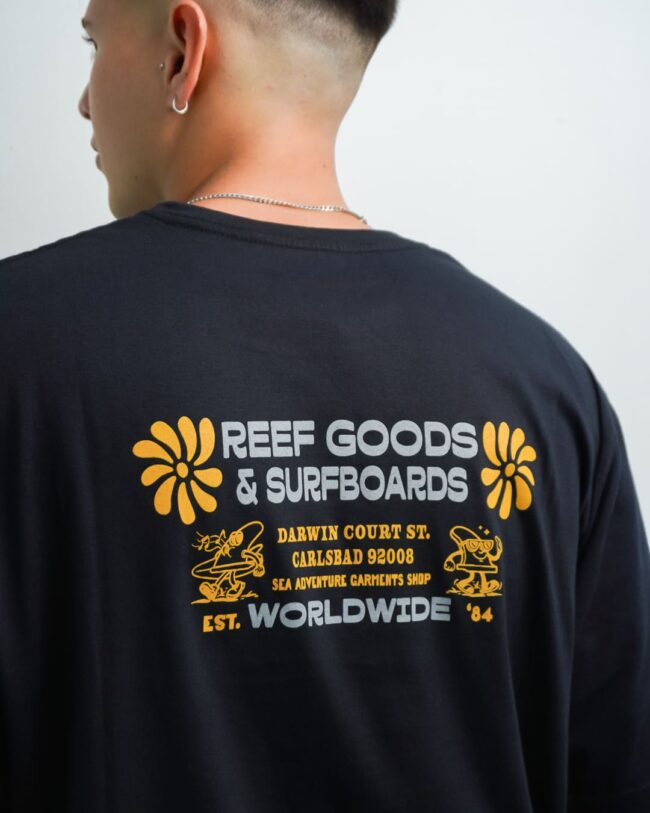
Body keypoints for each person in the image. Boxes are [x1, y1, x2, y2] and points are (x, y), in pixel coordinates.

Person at [0, 0, 648, 810]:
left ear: (183, 49)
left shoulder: (19, 341)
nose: (84, 100)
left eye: (95, 42)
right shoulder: (549, 385)